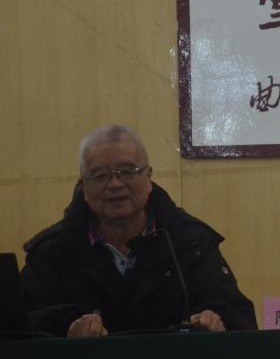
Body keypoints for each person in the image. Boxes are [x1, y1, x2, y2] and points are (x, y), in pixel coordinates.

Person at [21, 125, 257, 336]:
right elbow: (20, 329)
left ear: (148, 176)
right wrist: (67, 326)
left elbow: (242, 320)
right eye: (100, 175)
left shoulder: (189, 241)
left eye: (128, 171)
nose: (115, 184)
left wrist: (216, 320)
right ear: (83, 186)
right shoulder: (52, 251)